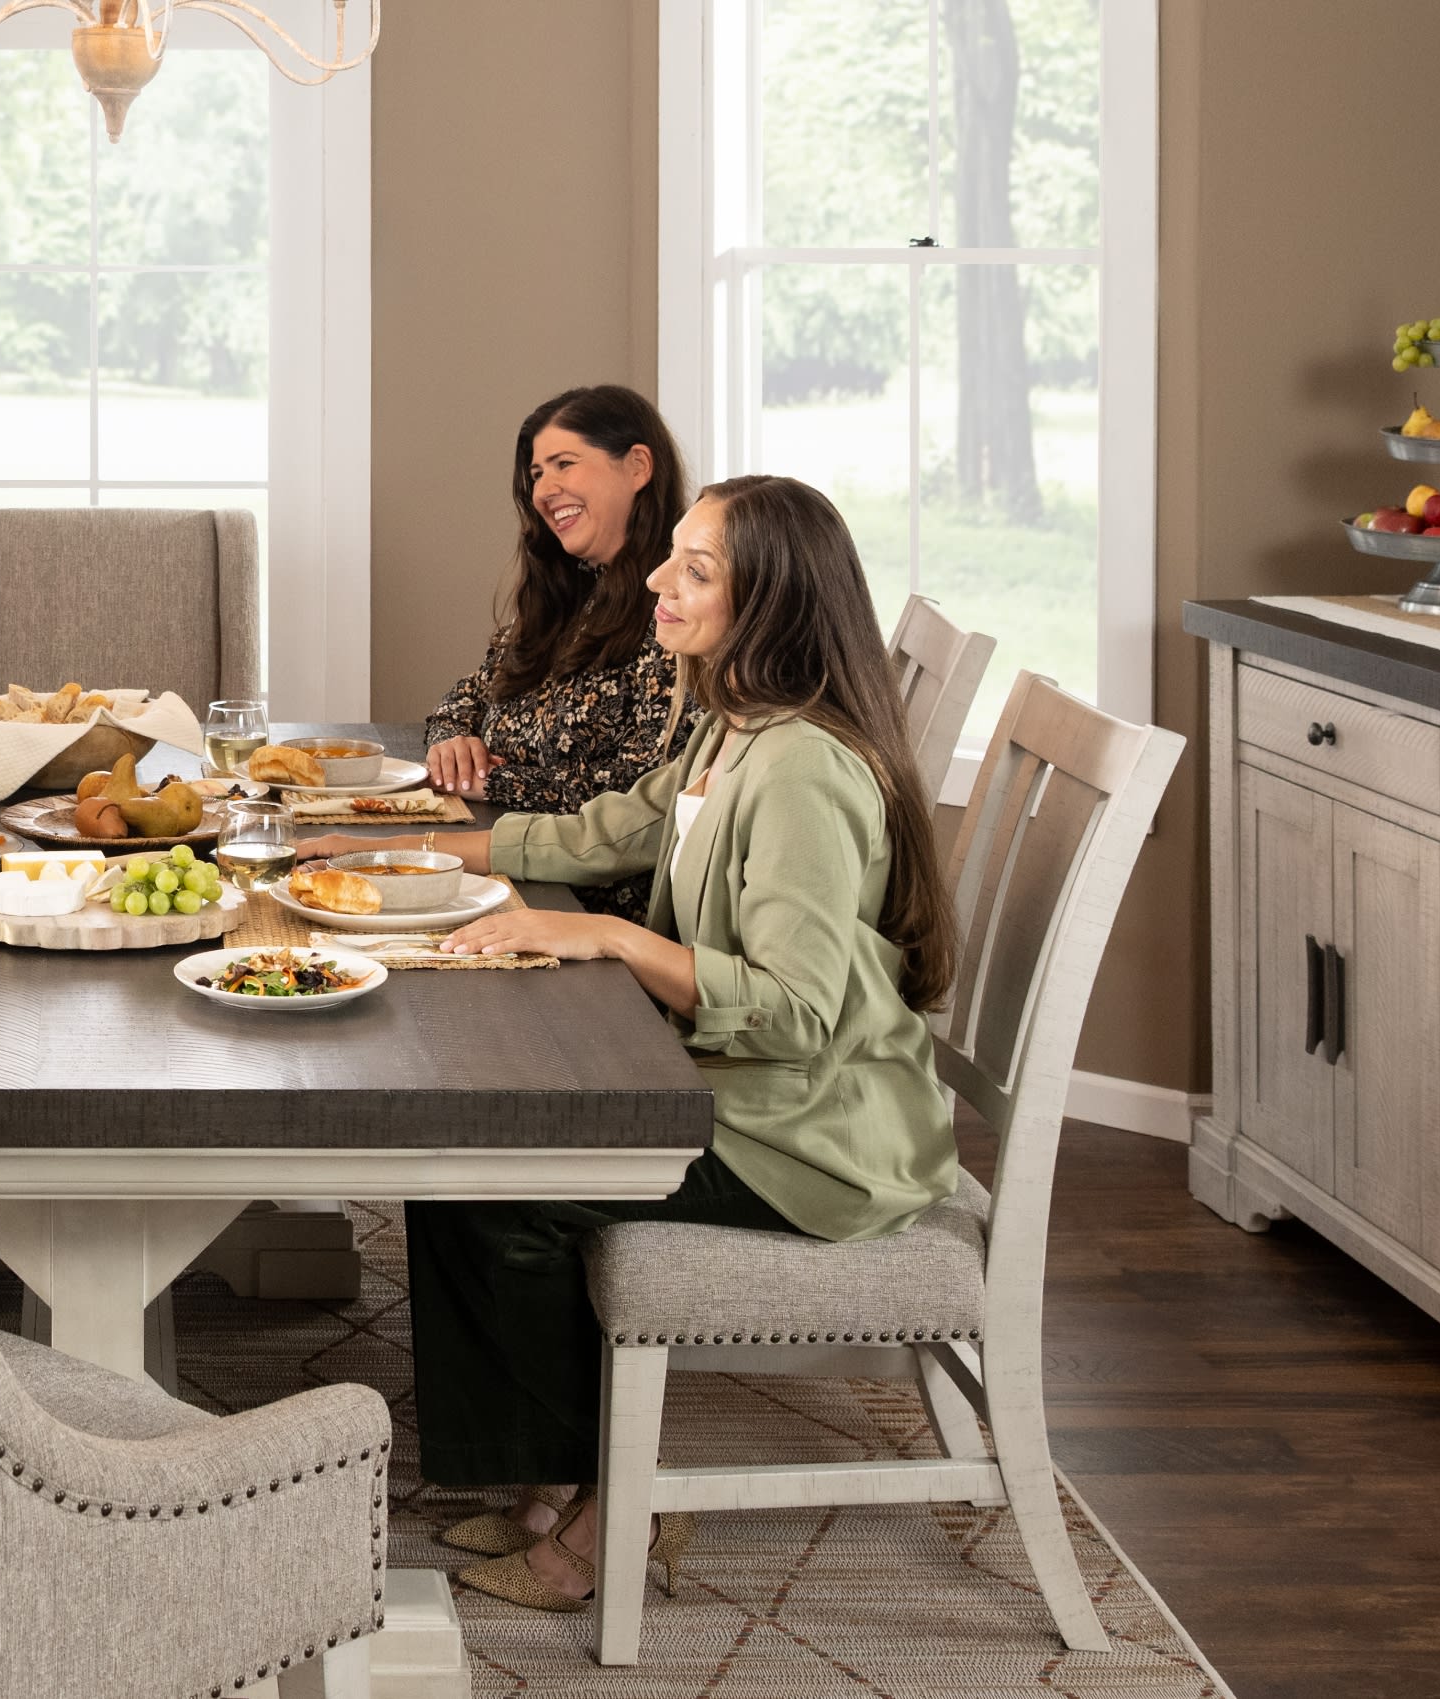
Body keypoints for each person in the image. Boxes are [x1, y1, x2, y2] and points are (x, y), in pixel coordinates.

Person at [303, 475, 962, 1613]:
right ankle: (551, 1475)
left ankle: (614, 1506)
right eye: (677, 558)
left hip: (808, 1140)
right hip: (746, 1093)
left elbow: (797, 1007)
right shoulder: (732, 721)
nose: (659, 578)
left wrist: (600, 932)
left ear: (774, 607)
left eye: (696, 570)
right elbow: (608, 826)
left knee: (508, 1188)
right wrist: (413, 848)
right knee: (461, 1165)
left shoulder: (801, 769)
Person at [419, 385, 696, 918]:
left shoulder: (679, 611)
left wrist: (493, 781)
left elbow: (640, 800)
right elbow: (473, 690)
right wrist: (453, 737)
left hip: (593, 908)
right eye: (536, 475)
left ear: (638, 466)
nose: (544, 489)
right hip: (522, 868)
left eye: (563, 464)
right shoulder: (575, 588)